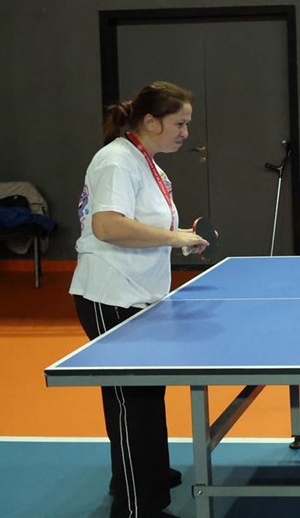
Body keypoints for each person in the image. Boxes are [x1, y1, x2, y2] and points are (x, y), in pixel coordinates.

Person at [70, 81, 209, 518]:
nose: (186, 133)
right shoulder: (116, 160)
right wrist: (174, 238)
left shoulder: (146, 162)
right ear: (151, 121)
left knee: (145, 393)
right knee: (132, 400)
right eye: (179, 123)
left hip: (140, 294)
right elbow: (108, 226)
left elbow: (142, 223)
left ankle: (145, 473)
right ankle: (136, 506)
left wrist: (180, 237)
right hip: (110, 294)